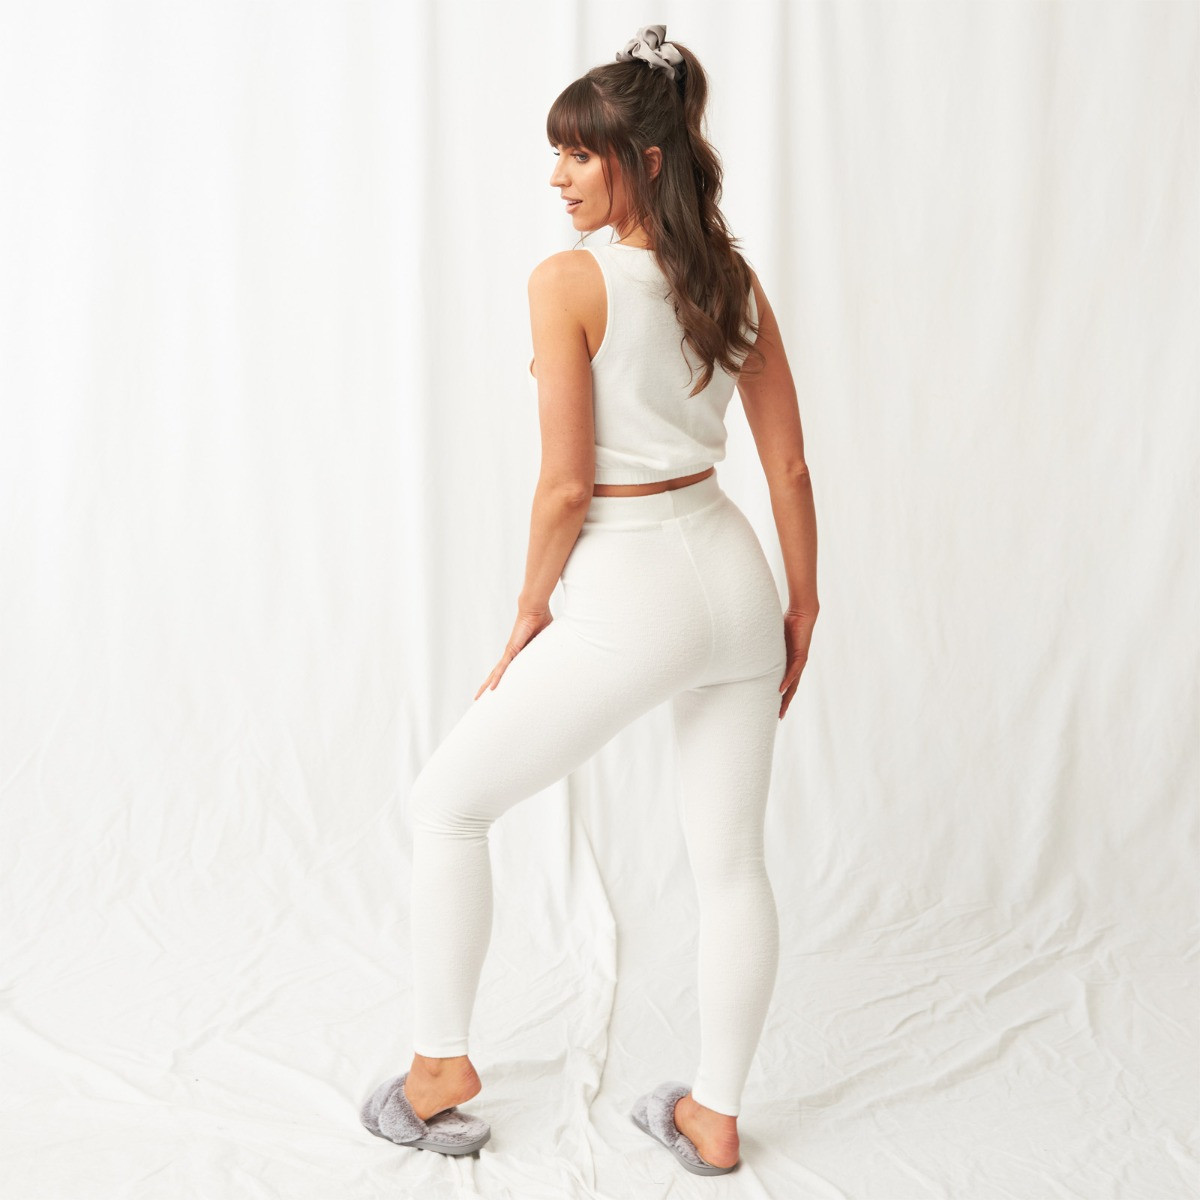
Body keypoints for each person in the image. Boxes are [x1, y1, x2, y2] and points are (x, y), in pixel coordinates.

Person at [360, 24, 819, 1176]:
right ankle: (714, 1116)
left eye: (580, 153)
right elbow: (788, 467)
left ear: (646, 159)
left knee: (447, 804)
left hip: (630, 589)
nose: (558, 176)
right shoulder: (727, 277)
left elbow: (567, 485)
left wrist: (530, 611)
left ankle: (437, 1071)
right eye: (555, 153)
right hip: (733, 573)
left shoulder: (568, 282)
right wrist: (803, 607)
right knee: (732, 865)